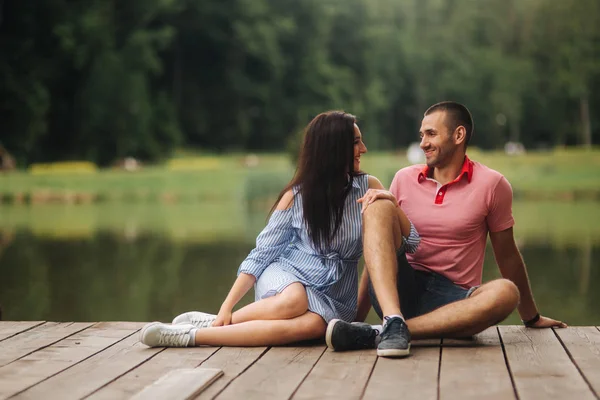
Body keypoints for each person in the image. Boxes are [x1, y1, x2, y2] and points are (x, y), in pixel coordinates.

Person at [139, 111, 420, 350]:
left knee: (312, 327)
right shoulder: (297, 196)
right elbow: (260, 256)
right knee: (295, 299)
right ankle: (205, 329)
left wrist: (391, 203)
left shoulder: (369, 186)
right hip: (287, 274)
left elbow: (412, 243)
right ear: (334, 149)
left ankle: (196, 334)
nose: (364, 149)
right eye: (356, 142)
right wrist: (227, 305)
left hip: (335, 292)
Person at [326, 101, 567, 357]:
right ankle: (391, 321)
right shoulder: (404, 179)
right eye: (421, 135)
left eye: (431, 134)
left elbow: (507, 255)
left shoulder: (492, 185)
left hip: (455, 302)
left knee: (506, 292)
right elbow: (379, 251)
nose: (423, 143)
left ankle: (382, 331)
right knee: (378, 204)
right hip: (399, 289)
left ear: (458, 135)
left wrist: (531, 318)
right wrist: (354, 319)